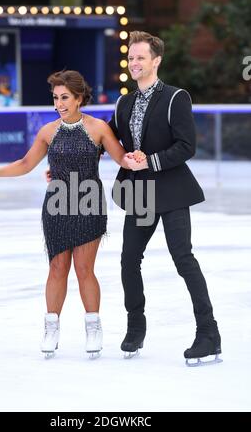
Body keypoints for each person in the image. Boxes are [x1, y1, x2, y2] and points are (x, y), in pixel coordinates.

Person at [0, 70, 134, 359]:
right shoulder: (48, 131)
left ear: (79, 98)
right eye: (56, 98)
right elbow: (25, 163)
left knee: (85, 270)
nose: (59, 103)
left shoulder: (98, 128)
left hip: (89, 203)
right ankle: (51, 327)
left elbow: (121, 156)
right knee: (57, 268)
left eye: (65, 98)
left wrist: (137, 159)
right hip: (56, 206)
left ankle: (93, 326)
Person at [108, 31, 222, 365]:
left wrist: (150, 161)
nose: (134, 63)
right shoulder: (123, 102)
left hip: (171, 189)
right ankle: (135, 327)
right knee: (129, 259)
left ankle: (208, 334)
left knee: (183, 259)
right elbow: (110, 139)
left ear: (156, 61)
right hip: (139, 192)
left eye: (141, 57)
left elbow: (187, 146)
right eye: (131, 58)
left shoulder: (176, 97)